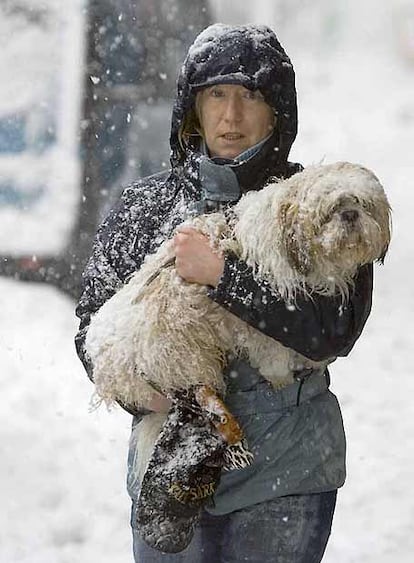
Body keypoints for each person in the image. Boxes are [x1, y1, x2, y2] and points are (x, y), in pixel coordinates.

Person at [75, 23, 373, 563]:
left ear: (278, 110)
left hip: (287, 475)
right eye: (216, 94)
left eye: (250, 95)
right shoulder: (143, 208)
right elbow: (94, 327)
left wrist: (223, 277)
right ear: (193, 107)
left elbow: (334, 329)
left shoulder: (316, 202)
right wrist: (147, 396)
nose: (231, 116)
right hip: (171, 474)